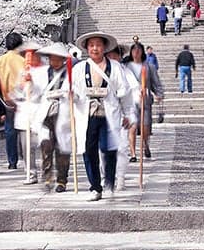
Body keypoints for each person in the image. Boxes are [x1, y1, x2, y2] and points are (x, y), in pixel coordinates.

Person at [76, 31, 139, 199]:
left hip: (109, 113)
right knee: (88, 150)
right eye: (91, 45)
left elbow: (124, 93)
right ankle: (95, 186)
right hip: (87, 114)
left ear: (104, 47)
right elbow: (74, 92)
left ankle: (109, 183)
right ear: (87, 48)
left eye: (98, 45)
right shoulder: (80, 68)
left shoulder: (116, 67)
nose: (95, 48)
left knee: (108, 148)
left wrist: (129, 114)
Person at [37, 42, 83, 192]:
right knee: (46, 146)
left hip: (63, 114)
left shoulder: (71, 73)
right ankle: (47, 176)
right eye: (52, 59)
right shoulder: (43, 74)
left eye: (58, 59)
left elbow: (78, 94)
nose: (54, 62)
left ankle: (62, 180)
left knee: (63, 149)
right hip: (47, 114)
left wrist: (72, 95)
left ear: (63, 60)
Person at [122, 41, 164, 162]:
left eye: (138, 50)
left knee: (145, 127)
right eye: (134, 50)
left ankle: (145, 144)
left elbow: (156, 83)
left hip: (145, 101)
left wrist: (158, 94)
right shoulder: (126, 67)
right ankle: (133, 153)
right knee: (132, 127)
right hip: (130, 101)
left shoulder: (148, 67)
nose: (136, 52)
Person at [13, 40, 47, 183]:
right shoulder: (22, 73)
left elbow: (44, 91)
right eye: (26, 56)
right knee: (26, 146)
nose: (28, 59)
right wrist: (22, 86)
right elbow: (16, 93)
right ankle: (30, 173)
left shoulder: (46, 71)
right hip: (25, 113)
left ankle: (48, 171)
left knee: (45, 144)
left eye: (31, 56)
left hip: (41, 111)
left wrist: (32, 82)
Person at [0, 33, 27, 170]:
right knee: (24, 129)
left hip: (7, 99)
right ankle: (26, 158)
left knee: (10, 130)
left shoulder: (1, 60)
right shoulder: (23, 60)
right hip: (22, 98)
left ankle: (12, 161)